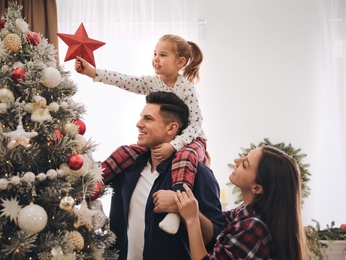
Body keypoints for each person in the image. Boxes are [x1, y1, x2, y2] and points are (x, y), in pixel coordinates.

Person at [75, 34, 207, 234]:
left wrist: (175, 145)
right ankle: (88, 187)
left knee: (185, 157)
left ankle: (176, 209)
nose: (156, 58)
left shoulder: (186, 88)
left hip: (191, 139)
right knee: (125, 152)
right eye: (154, 53)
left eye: (162, 55)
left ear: (180, 62)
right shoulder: (152, 82)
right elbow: (124, 80)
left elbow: (196, 123)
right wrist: (93, 72)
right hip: (163, 139)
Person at [106, 91, 225, 260]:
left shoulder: (199, 174)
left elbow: (216, 238)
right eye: (141, 117)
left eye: (148, 119)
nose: (138, 124)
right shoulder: (128, 167)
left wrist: (182, 207)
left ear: (171, 128)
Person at [175, 146, 307, 260]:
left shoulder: (253, 228)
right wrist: (205, 174)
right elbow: (219, 220)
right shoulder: (245, 211)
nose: (237, 161)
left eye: (245, 164)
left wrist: (191, 219)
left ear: (257, 188)